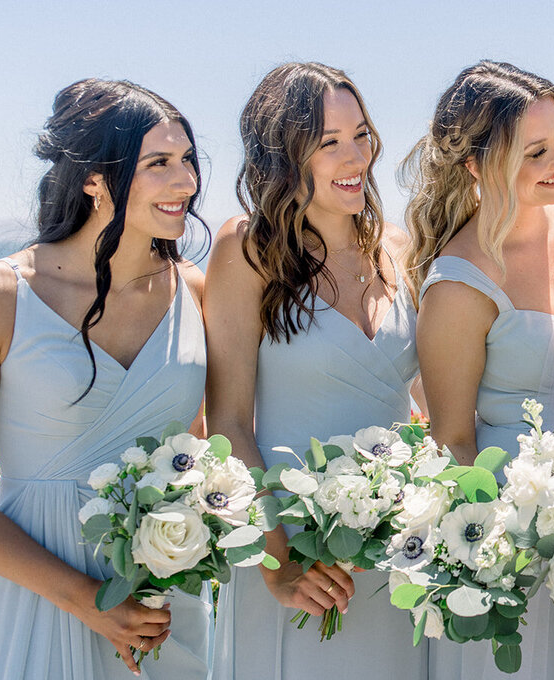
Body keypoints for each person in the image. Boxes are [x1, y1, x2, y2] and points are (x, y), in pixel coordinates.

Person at [207, 62, 426, 679]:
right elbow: (227, 420)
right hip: (294, 558)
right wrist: (278, 564)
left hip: (391, 558)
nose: (355, 155)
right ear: (283, 157)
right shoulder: (247, 250)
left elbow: (431, 407)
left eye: (361, 134)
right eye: (329, 143)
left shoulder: (402, 248)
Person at [0, 79, 211, 678]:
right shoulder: (3, 297)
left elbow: (203, 452)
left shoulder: (195, 291)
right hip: (37, 598)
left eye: (187, 160)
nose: (185, 181)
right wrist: (86, 600)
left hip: (161, 608)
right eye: (159, 163)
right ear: (92, 177)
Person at [403, 60, 554, 680]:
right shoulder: (460, 281)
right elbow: (453, 441)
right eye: (536, 151)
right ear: (475, 164)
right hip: (510, 537)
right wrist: (489, 565)